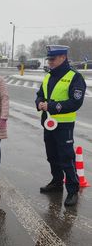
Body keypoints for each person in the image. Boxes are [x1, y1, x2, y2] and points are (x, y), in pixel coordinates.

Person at [35, 45, 86, 207]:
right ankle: (57, 183)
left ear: (63, 58)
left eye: (52, 59)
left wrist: (50, 106)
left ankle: (72, 190)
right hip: (49, 124)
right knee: (52, 156)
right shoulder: (49, 76)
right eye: (49, 59)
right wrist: (39, 103)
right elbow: (40, 95)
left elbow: (75, 102)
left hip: (64, 126)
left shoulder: (75, 77)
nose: (49, 62)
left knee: (66, 158)